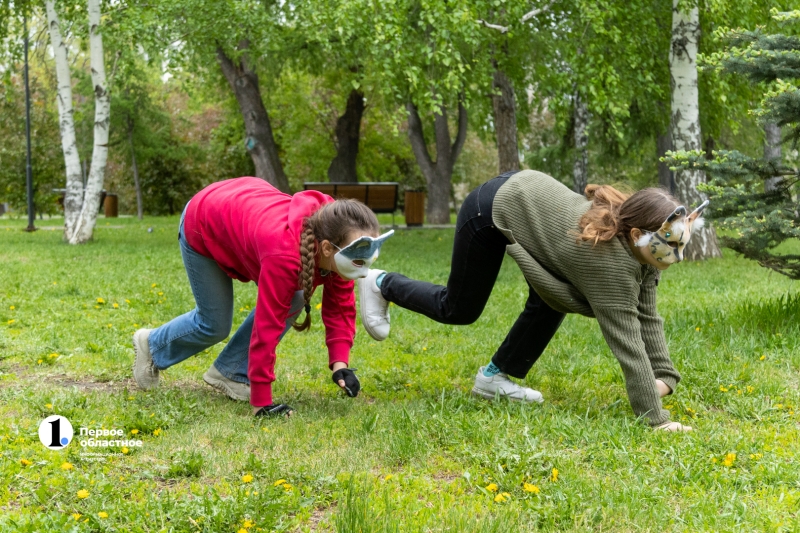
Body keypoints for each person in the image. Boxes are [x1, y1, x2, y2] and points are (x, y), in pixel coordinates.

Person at [358, 169, 708, 431]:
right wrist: (655, 418)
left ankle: (493, 378)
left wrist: (664, 373)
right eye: (672, 245)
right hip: (490, 208)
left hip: (525, 197)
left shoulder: (642, 250)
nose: (678, 255)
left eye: (682, 244)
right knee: (458, 309)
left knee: (553, 298)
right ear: (637, 234)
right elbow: (627, 339)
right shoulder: (611, 266)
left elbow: (647, 314)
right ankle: (382, 283)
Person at [132, 177, 393, 417]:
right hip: (205, 220)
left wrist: (340, 365)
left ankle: (231, 373)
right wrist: (261, 403)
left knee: (295, 296)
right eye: (359, 261)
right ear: (326, 248)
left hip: (241, 206)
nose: (364, 271)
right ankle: (152, 346)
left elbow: (339, 308)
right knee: (213, 324)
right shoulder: (285, 255)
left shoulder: (338, 232)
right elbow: (267, 327)